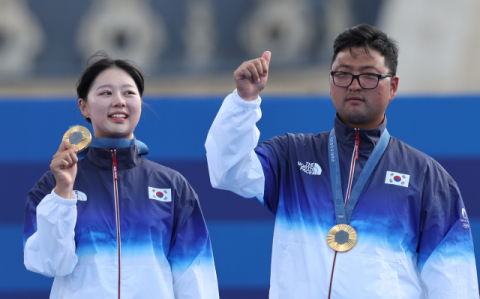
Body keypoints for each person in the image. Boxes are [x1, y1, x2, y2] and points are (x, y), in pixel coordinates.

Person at [205, 24, 479, 298]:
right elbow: (227, 171)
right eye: (343, 75)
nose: (354, 85)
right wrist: (244, 100)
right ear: (331, 82)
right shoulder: (291, 156)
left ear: (392, 86)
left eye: (369, 76)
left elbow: (454, 282)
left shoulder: (427, 179)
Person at [24, 53, 219, 299]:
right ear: (84, 106)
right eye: (106, 93)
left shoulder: (173, 186)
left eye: (129, 93)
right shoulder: (51, 186)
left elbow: (195, 276)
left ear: (140, 102)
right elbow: (48, 264)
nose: (119, 101)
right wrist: (63, 194)